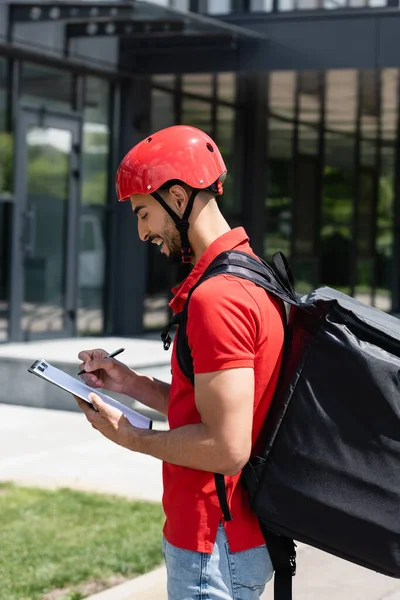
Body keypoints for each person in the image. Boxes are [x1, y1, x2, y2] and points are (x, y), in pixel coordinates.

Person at [75, 125, 285, 600]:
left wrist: (129, 436)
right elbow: (221, 410)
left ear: (177, 195)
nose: (142, 231)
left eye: (144, 212)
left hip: (213, 543)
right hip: (232, 536)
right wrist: (130, 383)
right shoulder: (250, 273)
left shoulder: (218, 298)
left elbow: (227, 446)